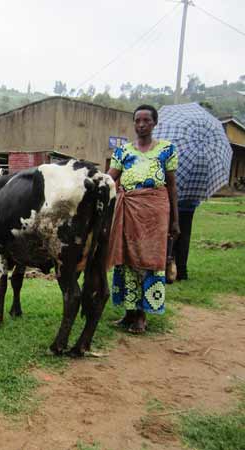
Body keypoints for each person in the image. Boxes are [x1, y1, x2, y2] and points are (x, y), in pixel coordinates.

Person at [107, 104, 180, 334]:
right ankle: (129, 313)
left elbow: (171, 185)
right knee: (127, 258)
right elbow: (110, 179)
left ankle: (141, 316)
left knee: (148, 261)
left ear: (154, 123)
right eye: (137, 120)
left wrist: (175, 220)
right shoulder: (123, 152)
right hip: (128, 210)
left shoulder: (167, 150)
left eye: (146, 120)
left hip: (155, 212)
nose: (141, 125)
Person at [173, 199, 200, 281]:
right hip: (190, 206)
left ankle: (172, 269)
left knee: (174, 238)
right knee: (185, 238)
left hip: (177, 207)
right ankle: (182, 271)